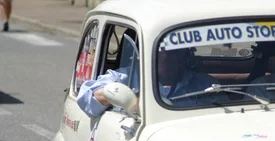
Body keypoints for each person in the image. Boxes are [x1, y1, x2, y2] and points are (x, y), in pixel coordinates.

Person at [77, 32, 223, 117]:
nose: (170, 57)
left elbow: (220, 115)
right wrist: (129, 100)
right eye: (164, 51)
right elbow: (86, 96)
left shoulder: (203, 84)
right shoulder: (128, 77)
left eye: (178, 52)